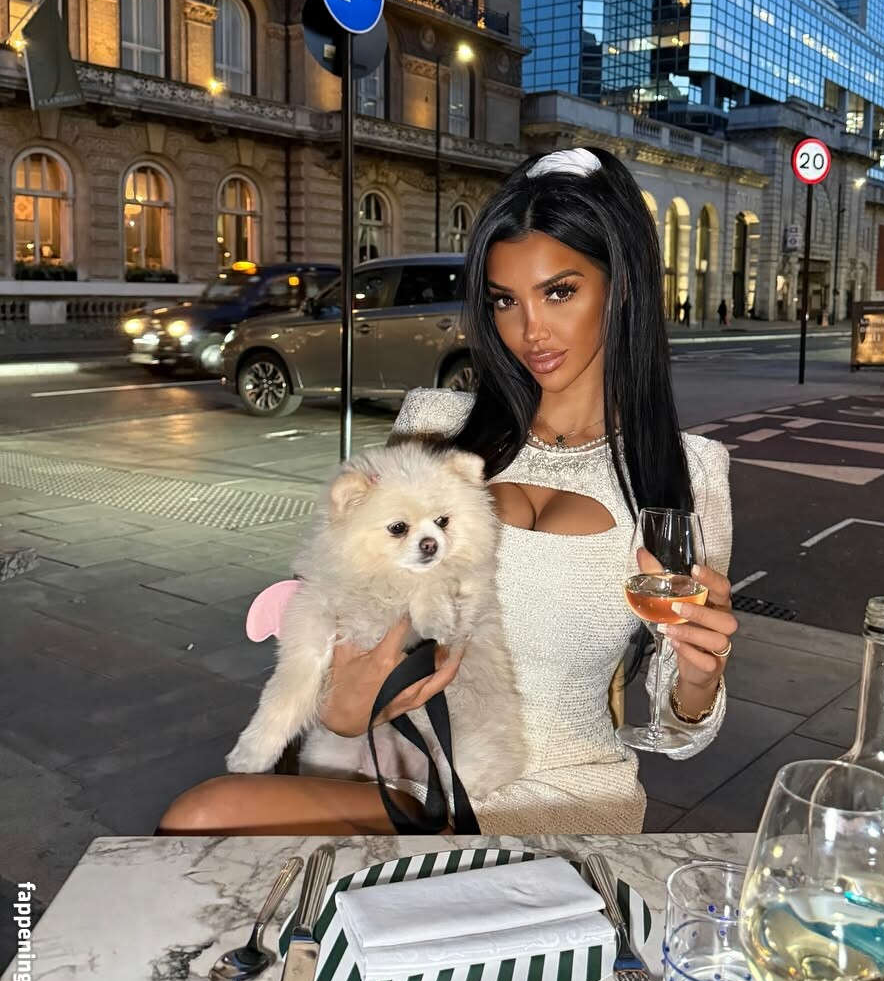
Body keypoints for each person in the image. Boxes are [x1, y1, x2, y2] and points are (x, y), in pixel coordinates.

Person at [157, 147, 734, 837]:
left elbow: (680, 727)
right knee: (202, 815)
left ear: (623, 288)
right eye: (504, 301)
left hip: (560, 796)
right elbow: (345, 610)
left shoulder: (687, 473)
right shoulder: (433, 428)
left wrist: (700, 676)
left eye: (559, 292)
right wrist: (347, 704)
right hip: (407, 777)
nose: (530, 331)